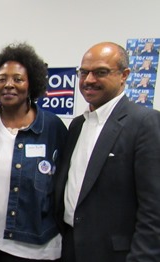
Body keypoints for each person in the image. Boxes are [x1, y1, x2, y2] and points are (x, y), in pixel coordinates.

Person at [54, 42, 160, 261]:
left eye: (100, 72)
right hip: (70, 247)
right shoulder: (77, 125)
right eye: (84, 72)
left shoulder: (145, 123)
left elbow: (154, 209)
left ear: (124, 75)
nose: (89, 80)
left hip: (114, 254)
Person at [0, 43, 67, 261]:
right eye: (1, 79)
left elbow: (63, 186)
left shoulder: (52, 127)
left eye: (18, 79)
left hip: (35, 248)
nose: (9, 85)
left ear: (32, 84)